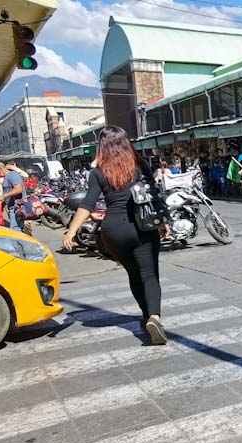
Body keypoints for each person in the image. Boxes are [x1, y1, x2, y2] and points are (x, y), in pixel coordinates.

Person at [62, 126, 166, 345]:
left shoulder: (98, 172)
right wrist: (162, 222)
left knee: (133, 274)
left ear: (102, 146)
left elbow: (88, 203)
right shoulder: (139, 165)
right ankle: (154, 317)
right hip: (143, 227)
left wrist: (71, 231)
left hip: (114, 231)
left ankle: (145, 316)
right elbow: (154, 195)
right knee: (149, 275)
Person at [0, 162, 27, 232]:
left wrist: (3, 196)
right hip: (13, 207)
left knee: (15, 230)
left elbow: (18, 189)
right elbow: (8, 191)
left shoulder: (12, 175)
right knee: (17, 228)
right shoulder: (6, 177)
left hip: (17, 207)